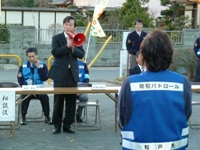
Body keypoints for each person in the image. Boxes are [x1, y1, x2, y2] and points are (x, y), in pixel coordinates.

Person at [118, 29, 192, 150]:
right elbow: (185, 114)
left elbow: (122, 119)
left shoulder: (130, 83)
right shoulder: (183, 83)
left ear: (144, 55)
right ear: (170, 54)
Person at [48, 16, 85, 134]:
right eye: (66, 24)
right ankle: (57, 125)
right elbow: (55, 52)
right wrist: (66, 46)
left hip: (72, 74)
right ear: (63, 25)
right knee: (58, 101)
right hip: (60, 74)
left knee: (71, 102)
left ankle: (68, 125)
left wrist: (73, 48)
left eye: (70, 25)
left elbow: (81, 54)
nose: (67, 26)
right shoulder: (57, 38)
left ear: (74, 27)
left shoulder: (78, 38)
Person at [17, 47, 52, 125]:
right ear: (27, 57)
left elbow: (45, 78)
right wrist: (30, 89)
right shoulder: (23, 66)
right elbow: (20, 80)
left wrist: (39, 68)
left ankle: (47, 116)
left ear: (36, 55)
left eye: (33, 56)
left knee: (45, 97)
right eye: (29, 57)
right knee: (25, 96)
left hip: (39, 90)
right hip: (28, 89)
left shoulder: (43, 65)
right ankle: (23, 116)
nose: (31, 58)